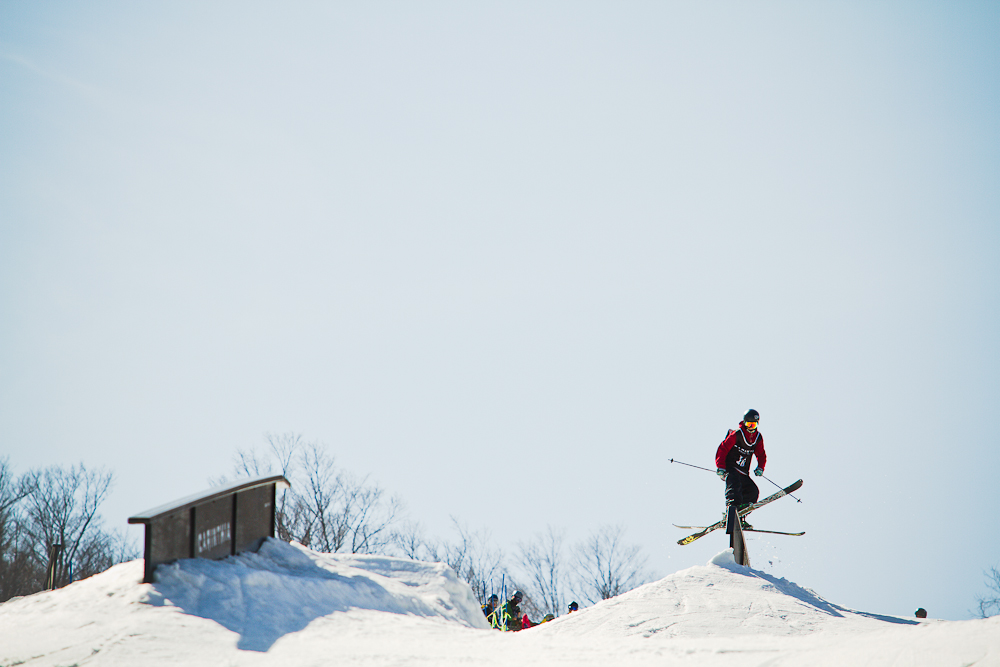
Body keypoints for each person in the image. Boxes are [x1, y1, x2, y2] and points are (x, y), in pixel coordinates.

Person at [715, 409, 767, 529]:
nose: (751, 428)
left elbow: (761, 454)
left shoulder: (757, 438)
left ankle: (741, 516)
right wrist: (720, 467)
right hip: (731, 468)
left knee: (753, 491)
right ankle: (731, 512)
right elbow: (722, 449)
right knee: (734, 487)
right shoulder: (737, 434)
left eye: (754, 425)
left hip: (743, 472)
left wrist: (760, 467)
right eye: (749, 424)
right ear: (744, 423)